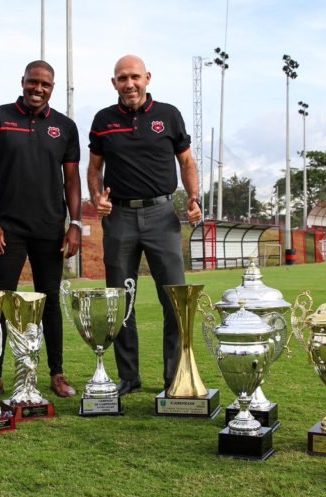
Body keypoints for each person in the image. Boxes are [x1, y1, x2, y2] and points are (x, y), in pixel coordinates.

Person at [87, 55, 202, 396]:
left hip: (161, 215)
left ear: (147, 78)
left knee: (173, 299)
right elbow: (94, 168)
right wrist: (97, 197)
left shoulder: (169, 115)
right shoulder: (103, 120)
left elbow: (187, 161)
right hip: (119, 218)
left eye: (135, 76)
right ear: (114, 83)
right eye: (122, 78)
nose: (129, 84)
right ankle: (129, 376)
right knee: (121, 300)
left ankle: (174, 377)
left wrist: (194, 199)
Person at [0, 60, 82, 399]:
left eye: (45, 84)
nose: (38, 89)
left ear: (52, 88)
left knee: (49, 302)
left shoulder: (65, 127)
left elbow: (72, 180)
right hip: (7, 228)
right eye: (33, 82)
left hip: (50, 229)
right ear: (22, 81)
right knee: (0, 302)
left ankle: (57, 374)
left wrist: (74, 224)